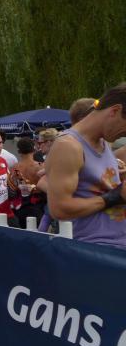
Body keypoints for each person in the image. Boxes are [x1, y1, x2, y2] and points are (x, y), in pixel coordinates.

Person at [45, 84, 126, 248]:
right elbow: (59, 209)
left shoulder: (104, 142)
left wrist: (120, 181)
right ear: (115, 110)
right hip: (98, 250)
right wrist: (114, 197)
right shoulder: (68, 146)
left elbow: (95, 187)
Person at [7, 138, 45, 228]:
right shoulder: (40, 167)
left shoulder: (13, 168)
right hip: (37, 206)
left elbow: (12, 189)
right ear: (34, 149)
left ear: (19, 151)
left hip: (19, 207)